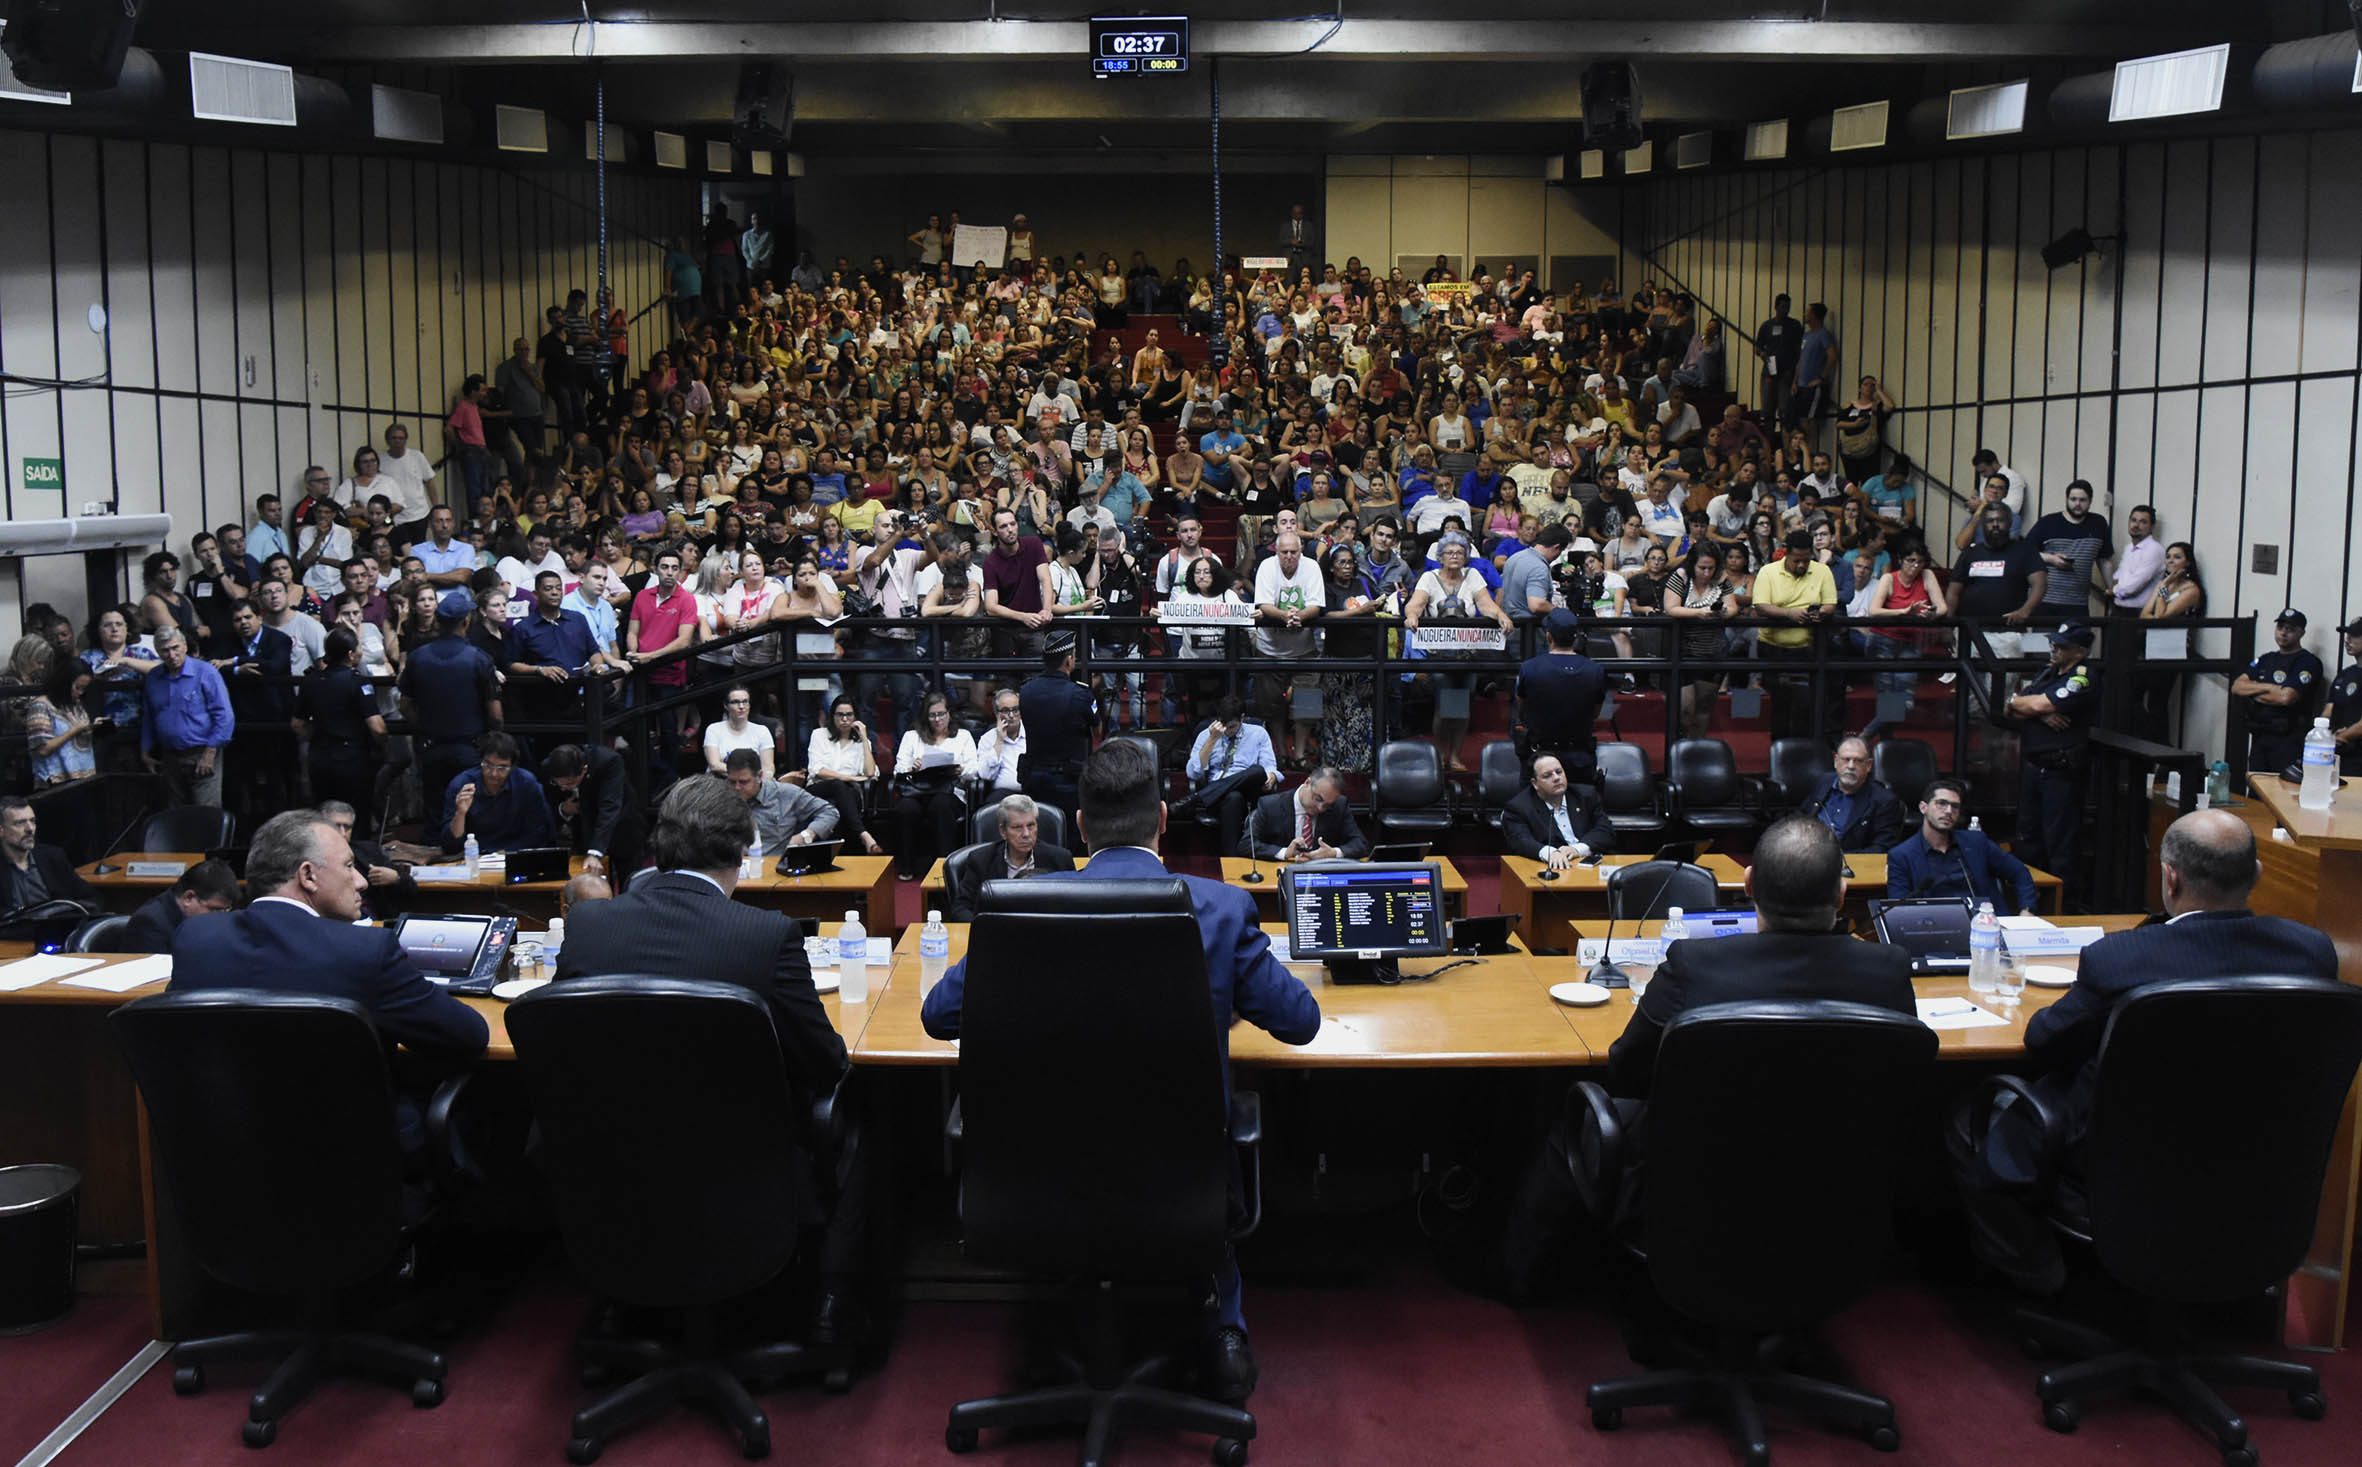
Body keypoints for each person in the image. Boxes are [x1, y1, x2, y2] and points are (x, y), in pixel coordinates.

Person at [922, 741, 1321, 1402]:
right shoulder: (1219, 909)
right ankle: (1225, 1327)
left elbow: (940, 1014)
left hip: (1034, 1176)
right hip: (1180, 1178)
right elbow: (1300, 1021)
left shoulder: (1019, 904)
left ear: (1078, 826)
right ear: (1163, 817)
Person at [1504, 818, 1913, 1288]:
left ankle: (1518, 1278)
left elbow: (1626, 1070)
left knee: (1579, 1118)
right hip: (1833, 1187)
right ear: (1842, 895)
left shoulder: (1696, 964)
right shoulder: (1888, 969)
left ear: (1749, 882)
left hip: (1697, 1182)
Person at [1955, 809, 2339, 1290]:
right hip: (2257, 1162)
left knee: (1968, 1118)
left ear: (2170, 878)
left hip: (2121, 1165)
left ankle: (2041, 1278)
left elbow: (2042, 1041)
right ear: (2256, 875)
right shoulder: (2311, 953)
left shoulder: (2122, 959)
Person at [554, 776, 866, 1340]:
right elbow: (827, 1064)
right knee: (868, 1110)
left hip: (616, 1160)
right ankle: (833, 1300)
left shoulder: (588, 925)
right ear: (741, 849)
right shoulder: (765, 935)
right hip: (743, 1167)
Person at [169, 810, 488, 1147]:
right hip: (349, 1155)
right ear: (308, 875)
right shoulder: (366, 950)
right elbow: (469, 1035)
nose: (362, 881)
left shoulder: (195, 938)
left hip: (222, 1150)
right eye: (350, 866)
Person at [2005, 622, 2100, 909]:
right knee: (2028, 841)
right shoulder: (2048, 672)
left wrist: (2034, 708)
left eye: (2062, 646)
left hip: (2061, 771)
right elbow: (2013, 706)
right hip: (2034, 768)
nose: (2054, 649)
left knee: (2060, 845)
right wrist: (2037, 711)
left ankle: (2064, 909)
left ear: (2080, 652)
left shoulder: (2082, 677)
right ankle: (2027, 904)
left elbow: (2036, 706)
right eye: (2054, 644)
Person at [400, 590, 504, 809]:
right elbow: (495, 714)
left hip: (431, 746)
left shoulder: (418, 657)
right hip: (470, 747)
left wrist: (424, 727)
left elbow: (405, 705)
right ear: (466, 621)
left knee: (435, 811)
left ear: (437, 621)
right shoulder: (479, 658)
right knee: (470, 811)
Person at [1886, 777, 2036, 914]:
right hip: (1937, 929)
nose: (1949, 811)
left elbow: (2019, 872)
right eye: (1942, 804)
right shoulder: (1901, 855)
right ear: (1923, 807)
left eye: (1955, 806)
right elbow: (1900, 910)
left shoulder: (1976, 842)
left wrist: (2027, 910)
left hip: (1985, 926)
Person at [292, 625, 385, 833]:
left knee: (324, 816)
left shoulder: (311, 681)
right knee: (356, 816)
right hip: (352, 759)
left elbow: (297, 724)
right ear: (351, 655)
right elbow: (377, 727)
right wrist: (381, 746)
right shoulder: (357, 683)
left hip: (320, 757)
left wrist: (317, 734)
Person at [1751, 529, 1840, 741]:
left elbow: (1830, 605)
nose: (1801, 565)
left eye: (1806, 560)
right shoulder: (1768, 572)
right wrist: (1789, 613)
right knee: (1780, 706)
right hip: (1773, 647)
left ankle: (1805, 751)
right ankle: (1779, 751)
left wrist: (1820, 614)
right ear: (1786, 554)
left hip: (1807, 648)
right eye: (1796, 561)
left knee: (1805, 706)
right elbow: (1761, 606)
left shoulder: (1822, 571)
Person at [942, 793, 1078, 921]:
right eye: (1017, 827)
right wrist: (985, 929)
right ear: (1003, 831)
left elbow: (1074, 907)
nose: (1026, 834)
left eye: (1031, 826)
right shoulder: (981, 860)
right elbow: (960, 909)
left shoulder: (1060, 860)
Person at [890, 691, 979, 882]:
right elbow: (898, 769)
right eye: (932, 715)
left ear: (949, 714)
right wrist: (911, 767)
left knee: (940, 805)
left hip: (948, 791)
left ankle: (944, 866)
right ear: (925, 716)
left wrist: (960, 769)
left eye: (941, 714)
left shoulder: (962, 736)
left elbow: (974, 770)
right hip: (917, 790)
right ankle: (906, 866)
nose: (937, 719)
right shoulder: (912, 736)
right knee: (905, 809)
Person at [141, 627, 233, 808]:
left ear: (184, 646)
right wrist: (144, 751)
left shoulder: (206, 672)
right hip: (169, 756)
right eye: (165, 650)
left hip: (201, 752)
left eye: (175, 648)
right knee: (175, 813)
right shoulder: (154, 677)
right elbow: (149, 717)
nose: (171, 654)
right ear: (158, 652)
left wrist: (210, 753)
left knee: (205, 811)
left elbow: (224, 715)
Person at [1181, 694, 1283, 857]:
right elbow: (1193, 772)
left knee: (1257, 771)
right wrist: (1212, 740)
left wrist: (1271, 776)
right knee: (1233, 797)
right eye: (1224, 726)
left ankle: (1196, 798)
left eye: (1232, 727)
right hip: (1218, 799)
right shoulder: (1206, 735)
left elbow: (1269, 767)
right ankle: (1231, 859)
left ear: (1242, 718)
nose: (1227, 731)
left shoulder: (1258, 733)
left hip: (1250, 792)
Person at [2230, 608, 2326, 776]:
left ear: (2301, 633)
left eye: (2290, 629)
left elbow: (2286, 697)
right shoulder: (2266, 659)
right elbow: (2237, 686)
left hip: (2288, 739)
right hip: (2260, 735)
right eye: (2280, 627)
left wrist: (2254, 690)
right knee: (2255, 787)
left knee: (2283, 789)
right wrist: (2268, 687)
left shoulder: (2307, 662)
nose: (2283, 633)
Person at [1517, 609, 1607, 782]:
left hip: (1540, 758)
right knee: (1581, 805)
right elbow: (1595, 712)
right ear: (1575, 638)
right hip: (1580, 757)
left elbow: (1523, 707)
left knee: (1534, 807)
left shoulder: (1529, 669)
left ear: (1549, 637)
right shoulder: (1595, 671)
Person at [542, 742, 645, 888]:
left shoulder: (609, 761)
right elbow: (551, 801)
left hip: (621, 826)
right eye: (560, 784)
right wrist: (563, 809)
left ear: (584, 770)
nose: (564, 788)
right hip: (585, 829)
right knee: (592, 888)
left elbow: (609, 807)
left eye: (570, 783)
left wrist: (595, 852)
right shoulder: (549, 766)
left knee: (628, 885)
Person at [1950, 501, 2046, 657]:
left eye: (2000, 520)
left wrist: (2025, 611)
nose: (1995, 524)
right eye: (1990, 521)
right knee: (1969, 680)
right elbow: (1953, 592)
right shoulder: (1970, 553)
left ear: (2008, 523)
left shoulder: (2025, 550)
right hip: (1970, 632)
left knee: (2003, 681)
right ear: (1983, 525)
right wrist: (1948, 626)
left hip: (2008, 635)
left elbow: (2040, 584)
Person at [440, 729, 553, 855]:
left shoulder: (526, 783)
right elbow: (449, 846)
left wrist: (507, 852)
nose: (493, 774)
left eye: (502, 768)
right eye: (488, 765)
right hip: (472, 856)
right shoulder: (461, 784)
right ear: (480, 761)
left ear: (513, 766)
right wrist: (460, 813)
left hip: (514, 854)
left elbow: (538, 834)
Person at [1017, 634, 1095, 815]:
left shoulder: (1026, 690)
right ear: (1069, 660)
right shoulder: (1079, 693)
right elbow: (1096, 727)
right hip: (1066, 779)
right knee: (1069, 835)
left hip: (1033, 777)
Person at [1500, 753, 1614, 870]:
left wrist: (1577, 849)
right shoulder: (1519, 807)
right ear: (1535, 783)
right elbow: (1520, 841)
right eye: (1547, 775)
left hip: (1590, 863)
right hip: (1553, 869)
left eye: (1559, 772)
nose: (1556, 778)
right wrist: (1550, 853)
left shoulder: (1586, 795)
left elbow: (1605, 829)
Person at [0, 797, 99, 930]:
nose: (30, 829)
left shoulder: (52, 857)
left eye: (32, 821)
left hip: (56, 934)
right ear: (1, 830)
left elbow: (89, 897)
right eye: (20, 823)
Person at [805, 694, 885, 857]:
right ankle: (865, 836)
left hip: (848, 793)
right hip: (818, 788)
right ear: (832, 716)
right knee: (837, 784)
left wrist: (863, 739)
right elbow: (817, 770)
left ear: (855, 717)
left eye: (849, 715)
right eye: (840, 715)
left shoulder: (862, 743)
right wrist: (851, 778)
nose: (844, 719)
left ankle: (838, 855)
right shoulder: (819, 735)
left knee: (841, 797)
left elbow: (870, 773)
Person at [1795, 737, 1905, 853]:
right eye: (1846, 759)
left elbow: (1881, 848)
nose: (1851, 766)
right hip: (1808, 854)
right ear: (1836, 761)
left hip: (1847, 863)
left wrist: (1837, 859)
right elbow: (1802, 815)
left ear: (1868, 765)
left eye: (1858, 761)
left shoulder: (1884, 800)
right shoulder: (1824, 781)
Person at [2025, 479, 2113, 623]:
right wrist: (2051, 559)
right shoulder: (2048, 522)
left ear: (2090, 501)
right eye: (2073, 499)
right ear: (2067, 499)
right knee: (2042, 644)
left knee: (2078, 644)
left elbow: (2105, 561)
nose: (2077, 504)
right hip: (2045, 600)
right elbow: (2025, 553)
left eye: (2082, 500)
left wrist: (2111, 591)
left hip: (2078, 603)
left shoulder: (2099, 523)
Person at [1242, 765, 1369, 862]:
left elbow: (1360, 844)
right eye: (1318, 799)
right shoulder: (1270, 805)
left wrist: (1333, 853)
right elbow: (1246, 845)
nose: (1321, 808)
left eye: (1327, 805)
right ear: (1307, 783)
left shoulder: (1339, 805)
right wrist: (1285, 853)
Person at [725, 749, 839, 855]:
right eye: (732, 782)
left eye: (744, 782)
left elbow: (829, 812)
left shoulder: (786, 794)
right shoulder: (721, 797)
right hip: (730, 867)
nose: (737, 787)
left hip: (774, 865)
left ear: (759, 776)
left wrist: (806, 835)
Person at [122, 858, 241, 954]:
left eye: (227, 910)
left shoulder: (204, 919)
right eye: (216, 910)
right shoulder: (149, 923)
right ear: (188, 898)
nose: (222, 917)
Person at [703, 685, 777, 779]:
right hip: (719, 784)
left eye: (745, 701)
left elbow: (768, 768)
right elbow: (715, 765)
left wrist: (759, 785)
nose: (741, 706)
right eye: (735, 702)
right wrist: (747, 774)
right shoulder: (714, 729)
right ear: (726, 705)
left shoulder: (762, 731)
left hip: (753, 785)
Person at [2330, 619, 2362, 777]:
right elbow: (2330, 709)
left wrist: (2341, 736)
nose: (2347, 640)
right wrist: (2324, 736)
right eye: (2347, 635)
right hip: (2342, 755)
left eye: (2355, 635)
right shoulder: (2345, 674)